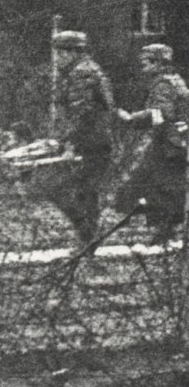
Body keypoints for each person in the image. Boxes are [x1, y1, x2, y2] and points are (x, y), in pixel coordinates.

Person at [115, 43, 189, 244]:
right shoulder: (174, 80)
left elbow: (161, 113)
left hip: (168, 145)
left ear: (157, 63)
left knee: (157, 185)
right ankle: (166, 232)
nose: (143, 68)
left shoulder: (163, 84)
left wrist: (131, 118)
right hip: (176, 142)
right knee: (166, 186)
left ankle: (164, 232)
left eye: (146, 63)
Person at [50, 30, 116, 246]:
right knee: (83, 191)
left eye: (60, 53)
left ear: (73, 52)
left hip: (90, 143)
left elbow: (82, 113)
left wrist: (68, 142)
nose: (58, 59)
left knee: (76, 190)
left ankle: (87, 240)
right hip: (94, 140)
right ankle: (87, 239)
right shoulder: (86, 70)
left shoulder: (82, 73)